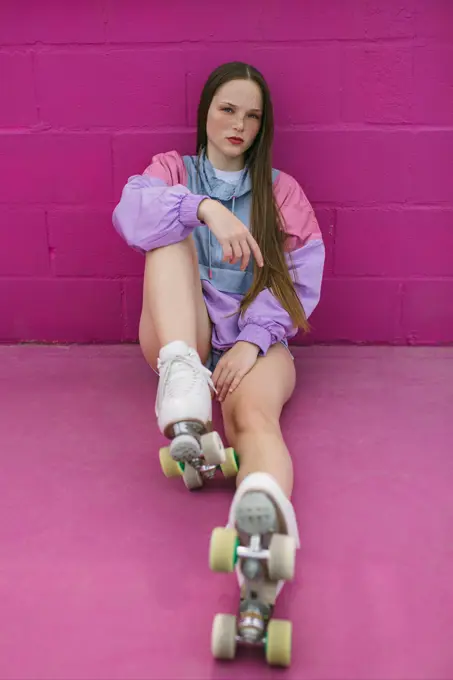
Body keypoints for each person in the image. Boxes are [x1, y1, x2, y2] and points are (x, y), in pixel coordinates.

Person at [112, 61, 324, 644]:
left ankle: (260, 540)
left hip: (253, 342)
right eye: (228, 109)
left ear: (263, 127)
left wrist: (254, 342)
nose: (238, 124)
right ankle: (183, 385)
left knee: (251, 419)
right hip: (185, 332)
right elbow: (131, 217)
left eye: (252, 116)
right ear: (205, 109)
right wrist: (203, 206)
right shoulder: (172, 170)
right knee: (166, 231)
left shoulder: (283, 192)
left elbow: (298, 282)